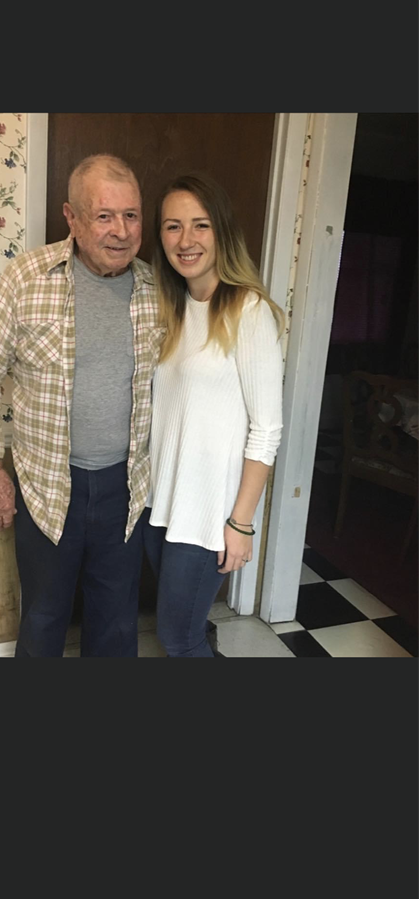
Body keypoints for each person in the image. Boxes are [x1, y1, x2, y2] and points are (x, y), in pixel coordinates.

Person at [0, 154, 162, 657]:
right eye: (103, 215)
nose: (120, 231)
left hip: (125, 489)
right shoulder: (26, 277)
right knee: (45, 615)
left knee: (115, 623)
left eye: (131, 215)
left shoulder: (156, 289)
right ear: (71, 217)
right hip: (46, 485)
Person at [144, 173, 284, 657]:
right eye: (172, 226)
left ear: (221, 230)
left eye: (200, 225)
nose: (186, 241)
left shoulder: (248, 311)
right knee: (191, 625)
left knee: (177, 638)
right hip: (159, 504)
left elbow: (266, 431)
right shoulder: (170, 307)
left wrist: (241, 523)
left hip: (207, 515)